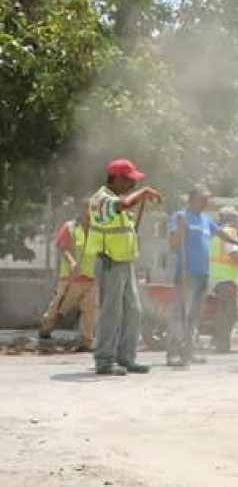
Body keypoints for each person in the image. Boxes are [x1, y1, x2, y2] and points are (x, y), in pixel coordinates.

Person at [89, 158, 164, 376]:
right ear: (118, 178)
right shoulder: (101, 199)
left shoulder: (116, 198)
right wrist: (143, 193)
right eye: (130, 180)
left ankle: (126, 358)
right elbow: (121, 206)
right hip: (109, 262)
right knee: (111, 313)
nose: (133, 185)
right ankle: (104, 360)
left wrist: (137, 198)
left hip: (125, 262)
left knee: (134, 311)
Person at [168, 184, 238, 367]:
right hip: (186, 273)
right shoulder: (180, 216)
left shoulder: (206, 220)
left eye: (207, 199)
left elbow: (221, 234)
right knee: (181, 314)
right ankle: (173, 353)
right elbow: (173, 244)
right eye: (202, 199)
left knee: (195, 316)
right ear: (191, 200)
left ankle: (189, 352)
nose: (206, 202)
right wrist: (180, 231)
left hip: (202, 274)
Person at [40, 201, 100, 351]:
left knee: (90, 308)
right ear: (81, 209)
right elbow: (62, 248)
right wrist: (72, 262)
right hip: (70, 277)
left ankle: (86, 341)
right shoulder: (70, 227)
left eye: (93, 208)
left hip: (91, 277)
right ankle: (46, 330)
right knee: (58, 307)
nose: (90, 212)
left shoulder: (98, 229)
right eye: (87, 208)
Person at [208, 206, 238, 353]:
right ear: (233, 220)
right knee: (228, 313)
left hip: (215, 278)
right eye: (237, 219)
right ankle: (222, 346)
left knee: (222, 312)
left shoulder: (216, 233)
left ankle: (218, 342)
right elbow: (234, 253)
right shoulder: (230, 232)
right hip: (225, 279)